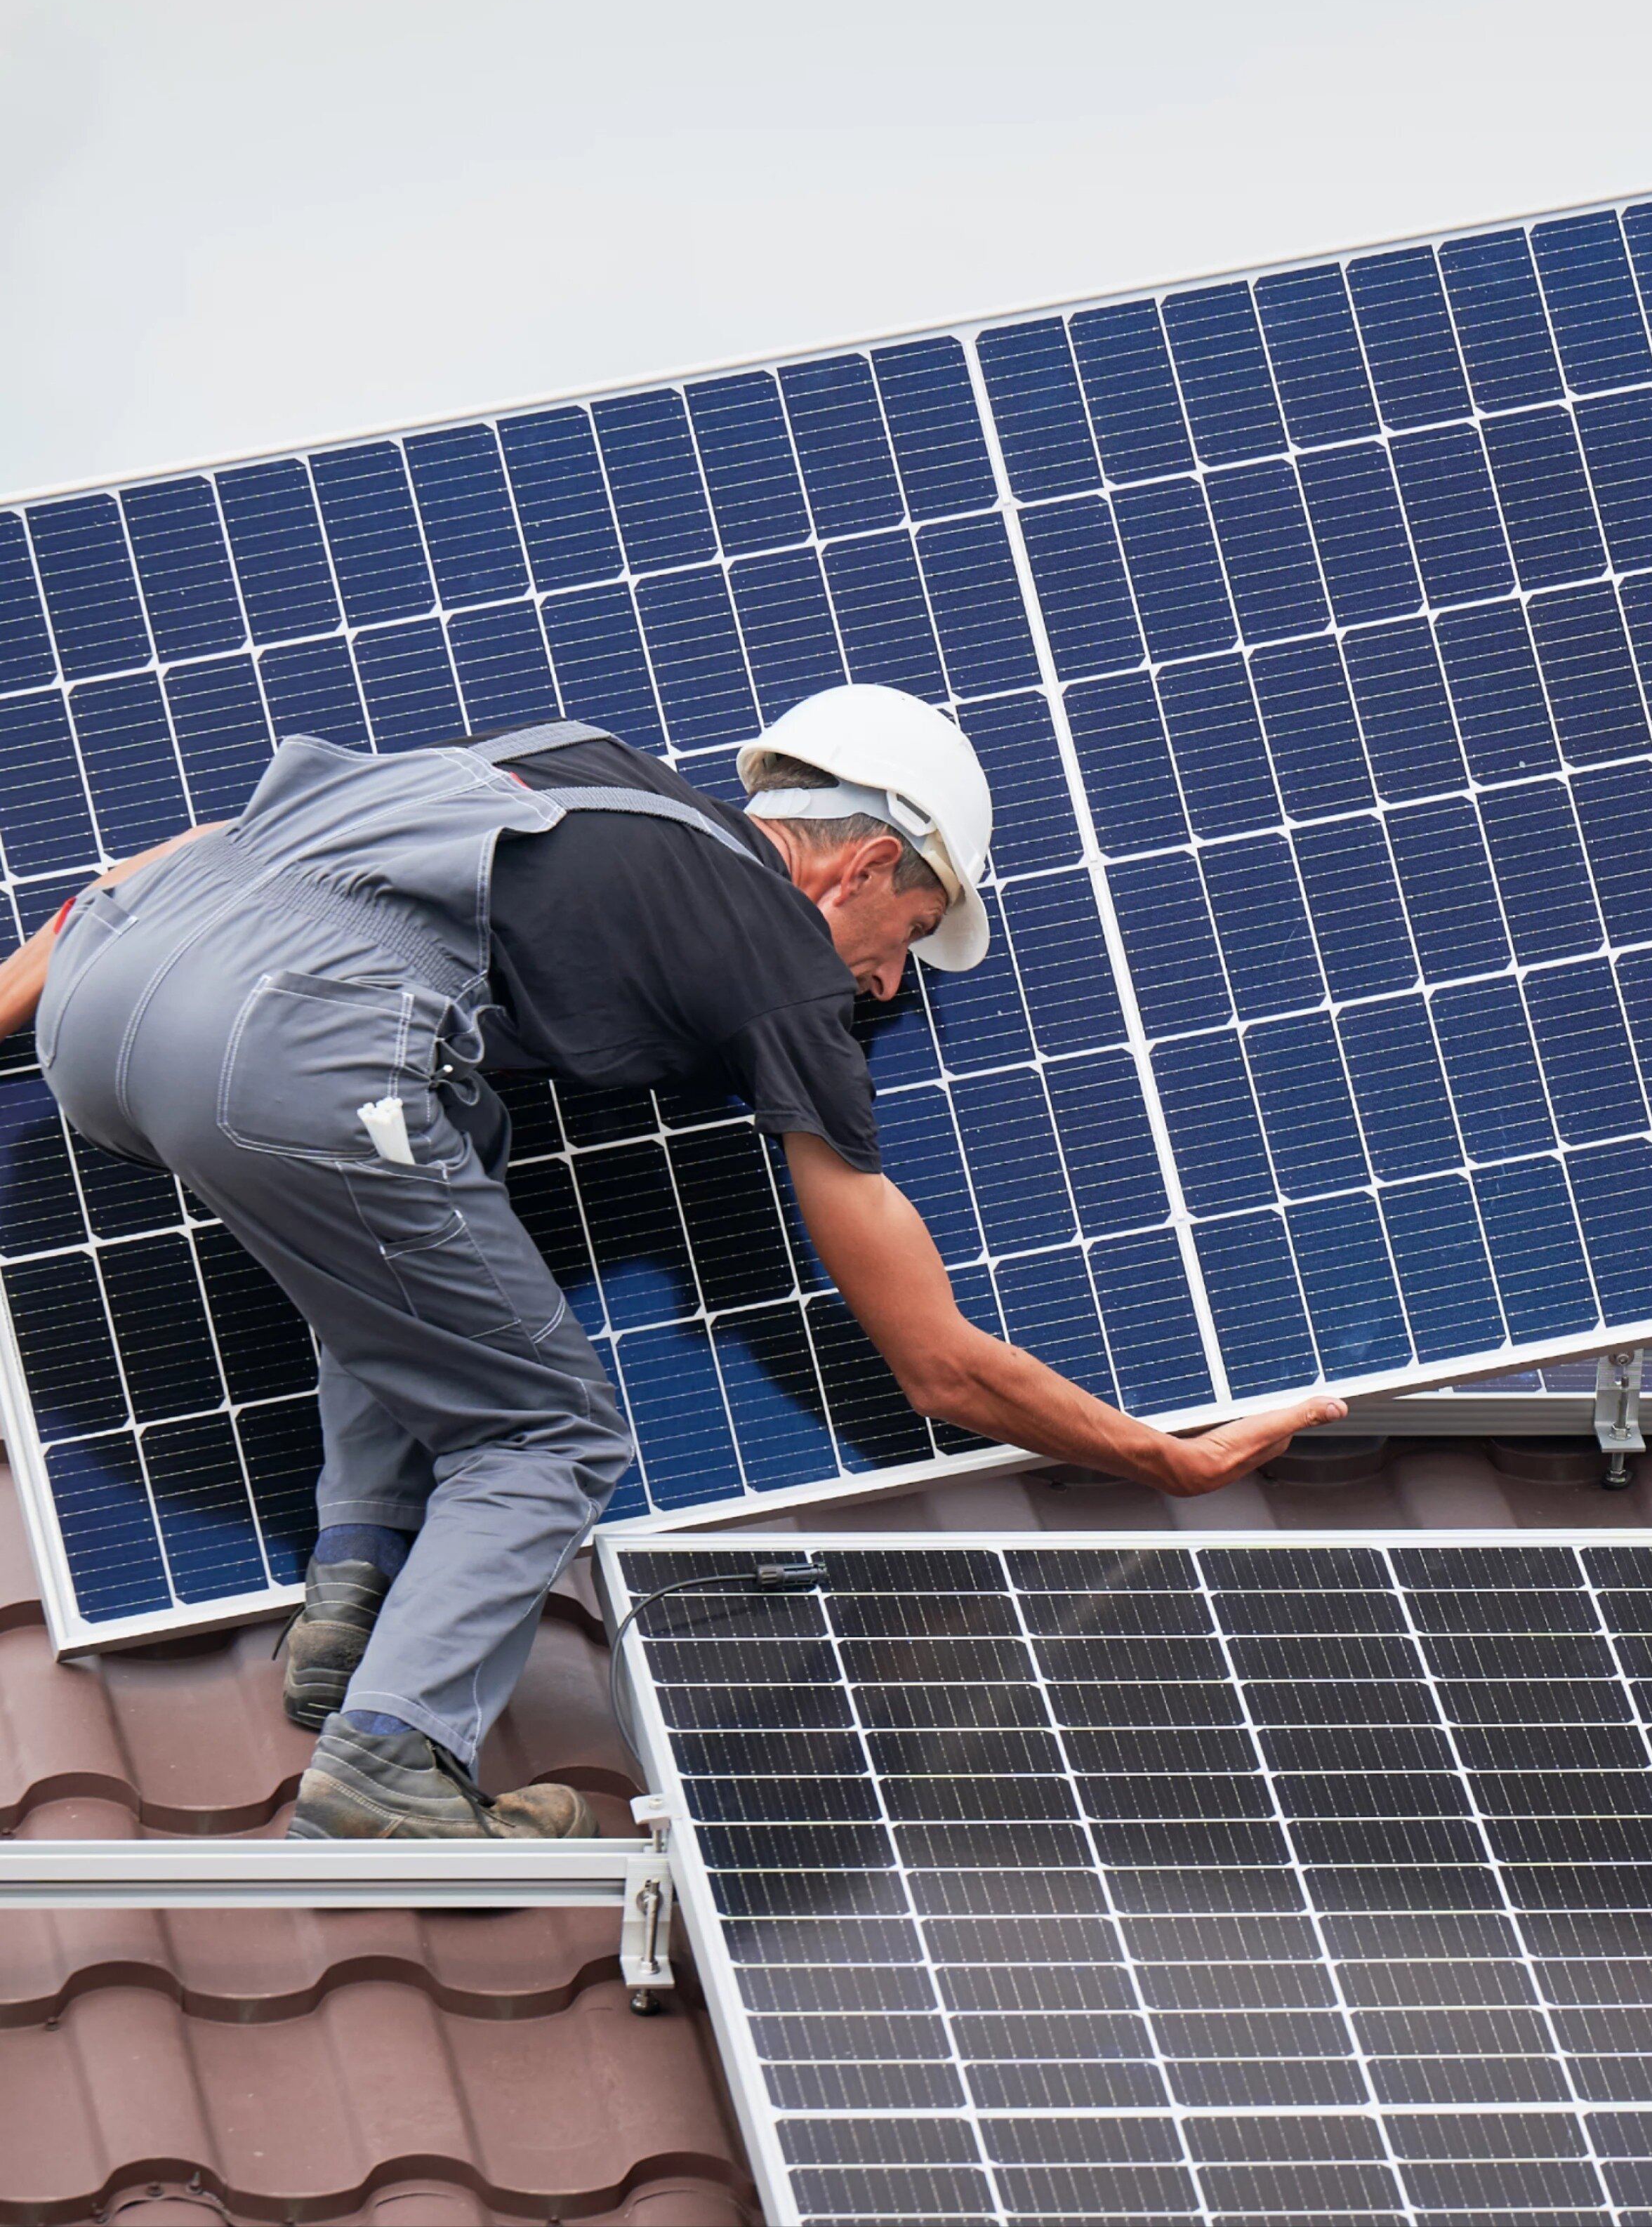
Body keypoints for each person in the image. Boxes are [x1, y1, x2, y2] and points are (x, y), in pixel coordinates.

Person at [0, 685, 1340, 1837]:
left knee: (439, 1182)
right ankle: (392, 1758)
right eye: (916, 931)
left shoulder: (572, 761)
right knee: (545, 1431)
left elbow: (193, 854)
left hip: (107, 1011)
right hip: (293, 1049)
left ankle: (353, 1589)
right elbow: (934, 1364)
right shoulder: (776, 958)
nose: (891, 983)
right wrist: (1167, 1460)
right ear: (864, 865)